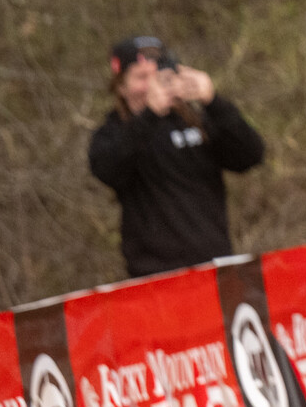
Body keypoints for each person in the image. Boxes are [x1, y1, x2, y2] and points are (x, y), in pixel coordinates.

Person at [88, 35, 266, 278]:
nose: (153, 86)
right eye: (141, 77)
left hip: (216, 268)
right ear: (121, 86)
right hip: (156, 278)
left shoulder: (195, 120)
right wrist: (149, 115)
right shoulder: (114, 131)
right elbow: (107, 169)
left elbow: (250, 155)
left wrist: (214, 101)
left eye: (159, 77)